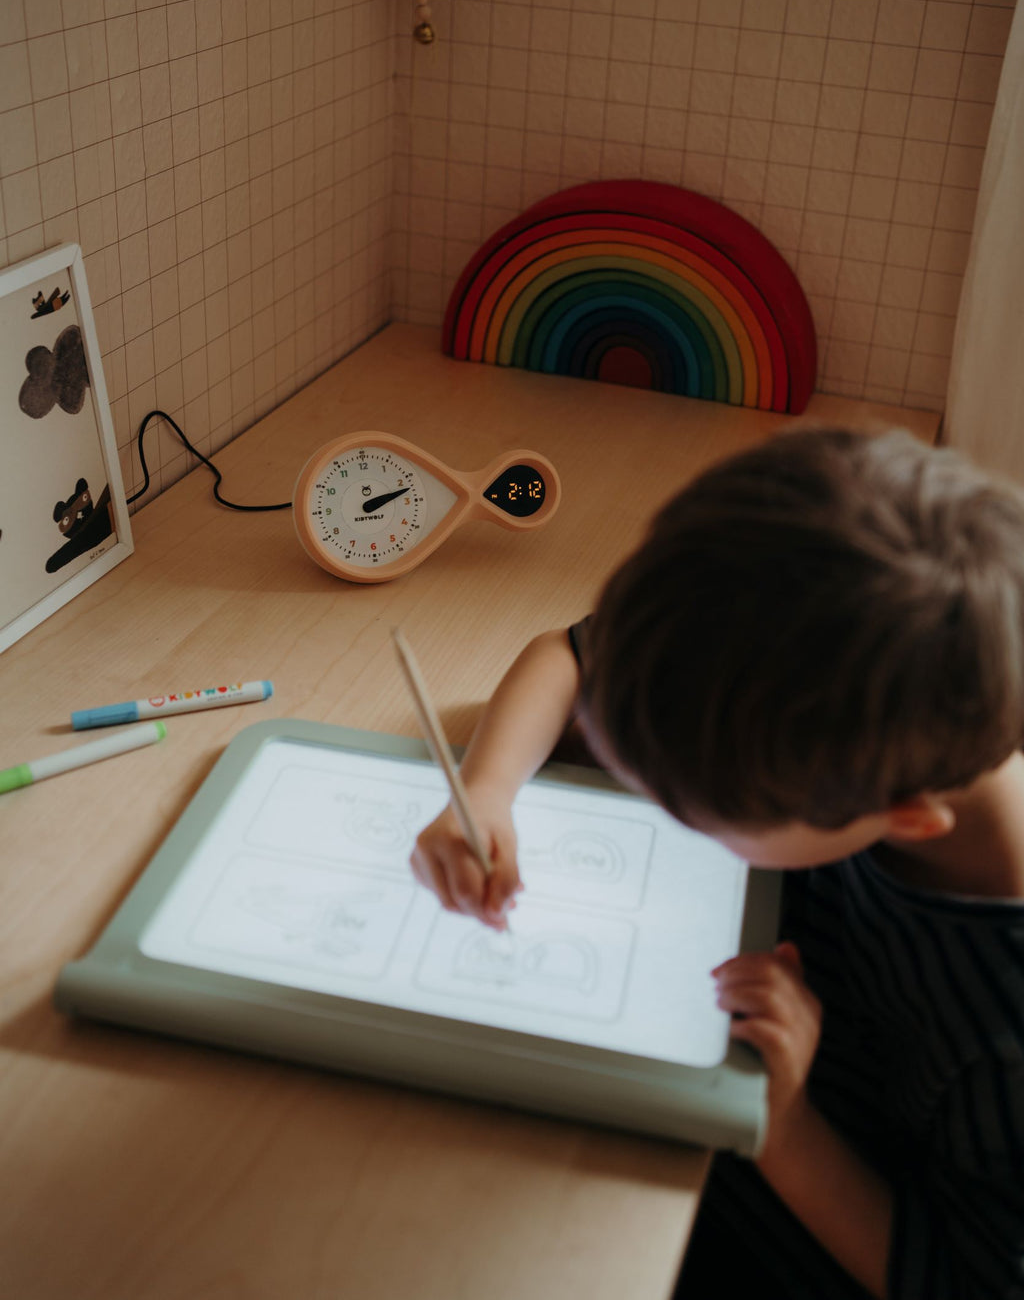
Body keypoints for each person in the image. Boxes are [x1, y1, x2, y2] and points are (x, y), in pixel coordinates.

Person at [411, 427, 1024, 1299]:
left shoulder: (1003, 1033)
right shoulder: (852, 692)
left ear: (906, 817)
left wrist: (785, 1126)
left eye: (700, 812)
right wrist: (487, 786)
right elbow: (571, 655)